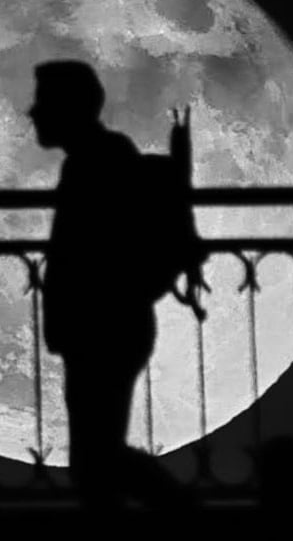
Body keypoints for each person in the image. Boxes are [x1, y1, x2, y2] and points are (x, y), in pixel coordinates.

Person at [28, 60, 198, 510]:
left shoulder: (98, 162)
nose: (33, 113)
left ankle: (185, 513)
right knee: (95, 460)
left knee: (95, 459)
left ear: (71, 108)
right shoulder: (94, 160)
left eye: (44, 103)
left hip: (106, 327)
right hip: (105, 326)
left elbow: (91, 254)